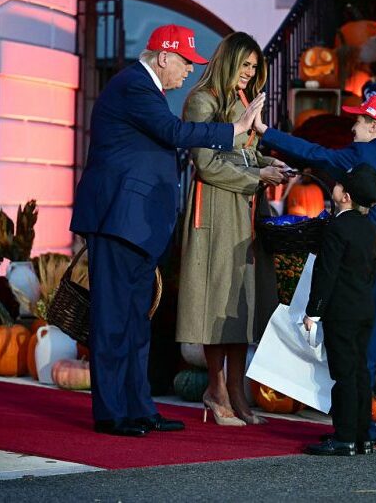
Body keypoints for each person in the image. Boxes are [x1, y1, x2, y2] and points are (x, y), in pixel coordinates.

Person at [70, 24, 265, 437]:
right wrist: (234, 129)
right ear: (163, 56)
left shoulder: (144, 89)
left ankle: (139, 407)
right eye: (185, 62)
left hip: (136, 223)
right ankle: (111, 413)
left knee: (138, 322)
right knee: (112, 320)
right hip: (118, 220)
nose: (189, 72)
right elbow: (176, 134)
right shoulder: (134, 86)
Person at [255, 94, 376, 446]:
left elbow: (315, 154)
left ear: (374, 127)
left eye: (359, 120)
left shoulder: (360, 155)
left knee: (365, 350)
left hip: (372, 259)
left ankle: (361, 428)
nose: (353, 125)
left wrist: (266, 131)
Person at [175, 32, 288, 426]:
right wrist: (258, 176)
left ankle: (237, 391)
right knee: (216, 298)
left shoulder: (242, 101)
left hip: (245, 208)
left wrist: (270, 163)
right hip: (217, 208)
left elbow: (247, 152)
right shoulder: (201, 101)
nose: (250, 74)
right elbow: (207, 164)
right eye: (245, 65)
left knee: (240, 301)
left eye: (255, 68)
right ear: (228, 62)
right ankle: (216, 388)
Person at [303, 164, 376, 457]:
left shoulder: (337, 228)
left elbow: (326, 273)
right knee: (361, 371)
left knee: (344, 374)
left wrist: (314, 311)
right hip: (364, 307)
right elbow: (372, 271)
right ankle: (364, 435)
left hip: (341, 311)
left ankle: (345, 436)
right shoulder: (371, 229)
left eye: (338, 185)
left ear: (346, 196)